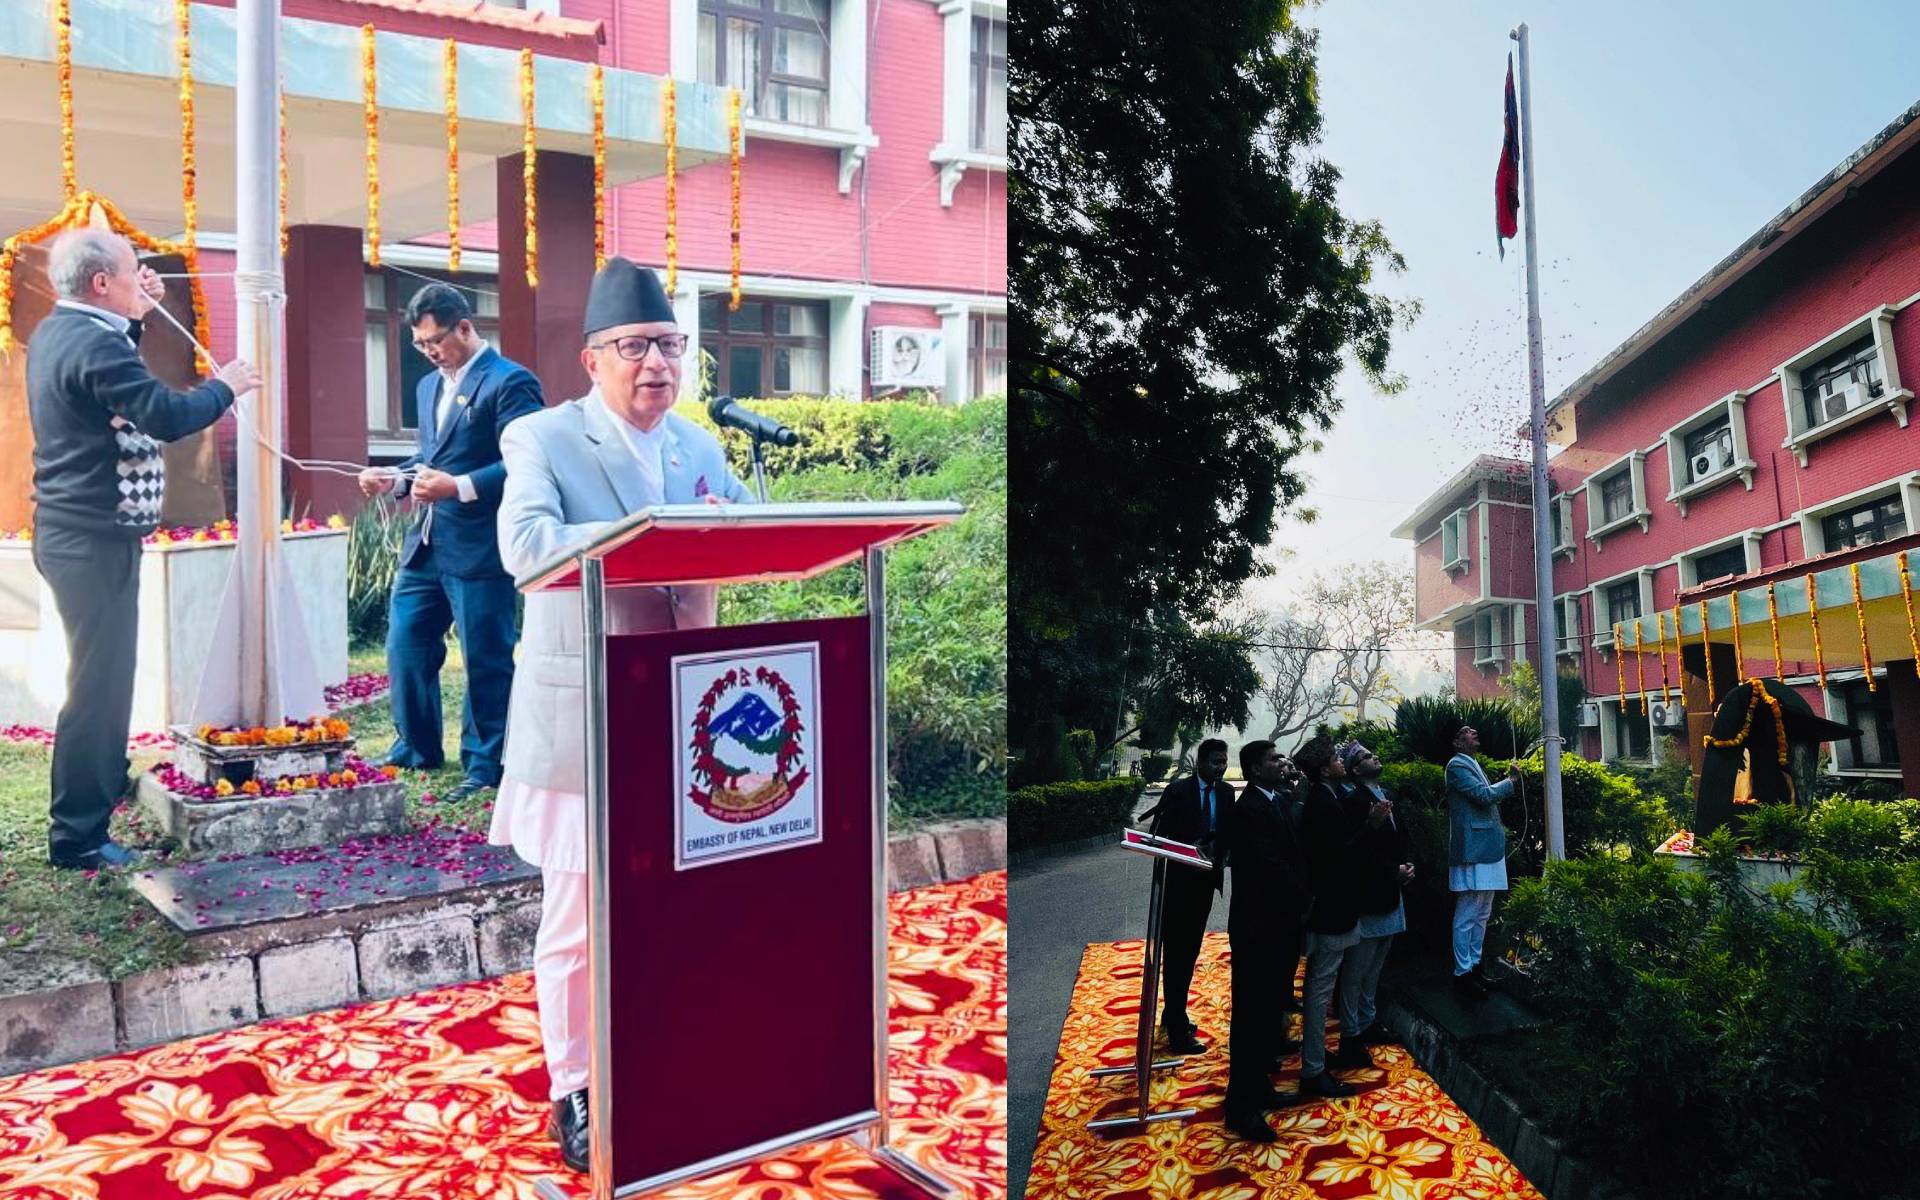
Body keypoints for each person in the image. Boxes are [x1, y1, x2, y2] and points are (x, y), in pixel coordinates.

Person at [488, 257, 751, 1172]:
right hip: (589, 712)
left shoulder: (696, 444)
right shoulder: (542, 438)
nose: (658, 366)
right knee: (580, 915)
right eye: (637, 347)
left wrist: (735, 527)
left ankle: (660, 1051)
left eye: (672, 347)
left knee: (674, 898)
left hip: (692, 716)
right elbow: (524, 548)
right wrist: (650, 538)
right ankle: (578, 1088)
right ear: (592, 357)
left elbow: (752, 535)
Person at [27, 228, 260, 870]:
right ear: (101, 283)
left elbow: (109, 378)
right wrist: (228, 386)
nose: (145, 281)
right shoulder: (90, 345)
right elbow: (164, 414)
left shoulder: (66, 331)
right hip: (89, 539)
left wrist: (137, 317)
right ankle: (77, 834)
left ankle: (99, 786)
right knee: (98, 686)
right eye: (135, 273)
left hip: (84, 534)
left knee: (105, 676)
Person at [357, 284, 544, 803]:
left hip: (482, 544)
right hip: (427, 543)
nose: (429, 352)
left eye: (435, 341)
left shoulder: (511, 382)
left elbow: (526, 463)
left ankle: (486, 765)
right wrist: (394, 479)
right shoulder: (428, 387)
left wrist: (459, 488)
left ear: (465, 327)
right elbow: (432, 459)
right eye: (420, 345)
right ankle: (415, 745)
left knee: (486, 656)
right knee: (405, 644)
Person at [1223, 740, 1312, 1142]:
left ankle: (1259, 1086)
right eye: (1274, 759)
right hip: (1257, 928)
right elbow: (1270, 865)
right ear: (1256, 769)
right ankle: (1240, 1107)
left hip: (1280, 925)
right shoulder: (1250, 809)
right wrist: (1306, 895)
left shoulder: (1276, 798)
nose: (1282, 763)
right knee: (1250, 1017)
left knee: (1268, 1012)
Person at [1144, 737, 1232, 1056]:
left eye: (1223, 762)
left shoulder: (1225, 793)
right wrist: (1189, 846)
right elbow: (1161, 833)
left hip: (1205, 883)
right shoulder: (1178, 790)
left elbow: (1227, 834)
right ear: (1200, 762)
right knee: (1177, 953)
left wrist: (1218, 852)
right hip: (1179, 883)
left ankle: (1173, 1012)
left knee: (1191, 951)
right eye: (1214, 762)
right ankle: (1177, 1027)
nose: (1220, 768)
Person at [1294, 733, 1369, 1098]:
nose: (1343, 761)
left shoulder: (1328, 796)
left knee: (1321, 987)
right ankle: (1313, 1070)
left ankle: (1315, 1059)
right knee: (1319, 990)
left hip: (1335, 907)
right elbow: (1337, 856)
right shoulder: (1321, 804)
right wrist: (1369, 826)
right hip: (1330, 910)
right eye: (1337, 758)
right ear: (1324, 770)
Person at [1329, 741, 1414, 1062]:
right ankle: (1350, 1033)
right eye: (1365, 756)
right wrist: (1393, 871)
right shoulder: (1355, 801)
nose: (1374, 756)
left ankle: (1367, 1022)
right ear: (1354, 769)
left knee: (1376, 966)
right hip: (1369, 896)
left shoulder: (1383, 794)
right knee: (1356, 970)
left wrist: (1407, 865)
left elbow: (1397, 839)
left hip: (1391, 892)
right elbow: (1360, 852)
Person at [1446, 722, 1520, 1000]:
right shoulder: (1457, 765)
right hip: (1473, 848)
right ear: (1457, 742)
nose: (1473, 731)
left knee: (1482, 912)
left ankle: (1474, 967)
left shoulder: (1470, 764)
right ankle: (1462, 973)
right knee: (1468, 911)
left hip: (1486, 847)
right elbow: (1483, 795)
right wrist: (1510, 782)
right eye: (1466, 730)